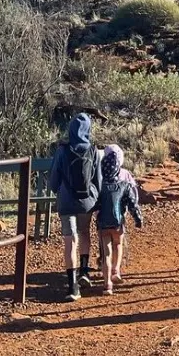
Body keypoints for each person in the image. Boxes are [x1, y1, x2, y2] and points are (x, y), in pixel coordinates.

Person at [48, 112, 102, 301]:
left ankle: (72, 287)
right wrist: (97, 198)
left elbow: (53, 180)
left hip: (66, 201)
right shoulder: (93, 150)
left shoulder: (62, 150)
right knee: (85, 233)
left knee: (70, 240)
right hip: (87, 201)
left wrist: (58, 191)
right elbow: (98, 180)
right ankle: (84, 272)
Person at [95, 145, 143, 295]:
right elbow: (133, 203)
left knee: (106, 252)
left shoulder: (99, 185)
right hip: (118, 223)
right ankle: (116, 270)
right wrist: (138, 219)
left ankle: (107, 284)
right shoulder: (124, 184)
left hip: (102, 223)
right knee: (118, 244)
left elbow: (94, 204)